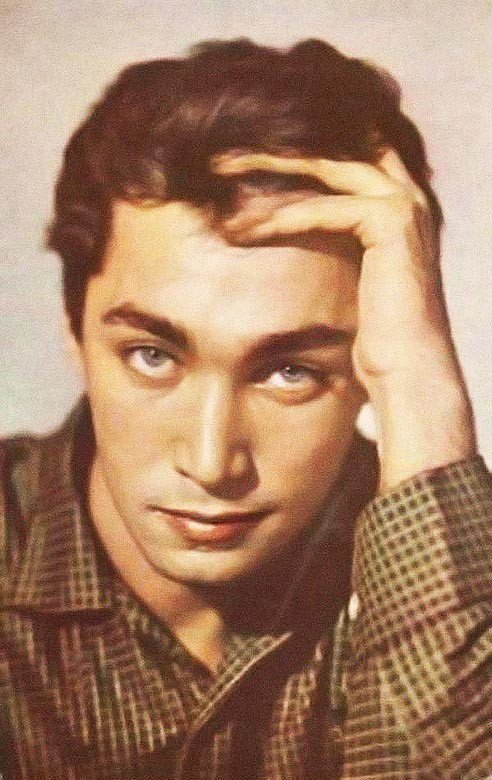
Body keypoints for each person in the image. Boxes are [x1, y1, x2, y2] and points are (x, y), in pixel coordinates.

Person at [0, 38, 491, 780]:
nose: (211, 462)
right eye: (152, 356)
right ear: (75, 330)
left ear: (370, 362)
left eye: (290, 371)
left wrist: (420, 387)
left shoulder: (463, 576)